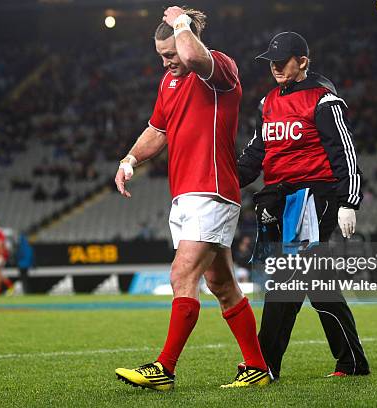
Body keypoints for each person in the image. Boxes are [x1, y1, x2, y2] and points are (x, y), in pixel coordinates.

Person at [114, 6, 271, 390]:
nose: (167, 62)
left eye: (170, 54)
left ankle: (164, 369)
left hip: (212, 190)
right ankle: (257, 367)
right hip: (184, 195)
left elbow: (191, 55)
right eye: (161, 56)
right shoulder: (168, 83)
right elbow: (156, 130)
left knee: (181, 275)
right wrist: (130, 158)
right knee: (223, 285)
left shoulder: (218, 69)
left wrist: (182, 22)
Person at [237, 32, 370, 378]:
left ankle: (264, 364)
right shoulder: (268, 103)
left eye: (283, 62)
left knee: (287, 278)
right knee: (314, 283)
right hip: (282, 198)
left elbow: (344, 150)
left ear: (303, 62)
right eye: (272, 62)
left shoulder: (324, 99)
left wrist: (348, 201)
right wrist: (223, 179)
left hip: (315, 197)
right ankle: (351, 361)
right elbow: (256, 152)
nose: (276, 67)